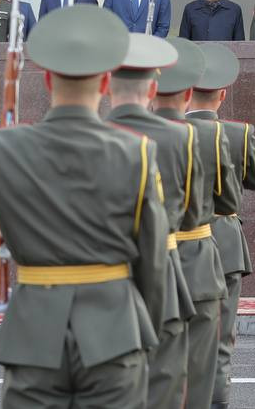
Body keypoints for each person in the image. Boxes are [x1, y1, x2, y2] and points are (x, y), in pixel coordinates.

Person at [0, 5, 168, 406]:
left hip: (33, 329)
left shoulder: (2, 147)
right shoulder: (136, 152)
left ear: (48, 79)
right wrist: (144, 329)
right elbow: (154, 259)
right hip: (115, 329)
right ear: (106, 82)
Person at [105, 34, 203, 409]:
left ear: (107, 86)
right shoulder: (182, 137)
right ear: (152, 90)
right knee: (163, 379)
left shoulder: (93, 134)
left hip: (102, 275)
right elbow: (193, 212)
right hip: (165, 265)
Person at [154, 38, 241, 409]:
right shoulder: (210, 134)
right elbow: (230, 200)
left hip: (144, 263)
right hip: (199, 257)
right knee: (208, 361)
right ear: (188, 92)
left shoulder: (122, 136)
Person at [190, 43, 255, 409]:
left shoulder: (167, 131)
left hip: (177, 245)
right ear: (222, 95)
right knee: (220, 342)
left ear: (187, 92)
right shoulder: (239, 133)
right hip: (223, 243)